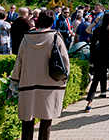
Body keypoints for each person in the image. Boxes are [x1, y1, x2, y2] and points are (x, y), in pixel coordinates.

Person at [12, 10, 70, 140]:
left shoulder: (26, 38)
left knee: (27, 119)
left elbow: (19, 62)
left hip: (28, 84)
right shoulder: (56, 37)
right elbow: (65, 63)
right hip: (50, 84)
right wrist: (64, 80)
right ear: (52, 22)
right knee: (46, 119)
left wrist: (15, 80)